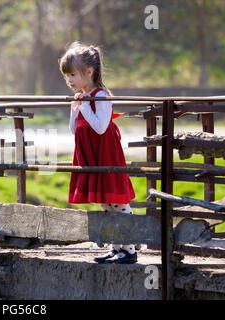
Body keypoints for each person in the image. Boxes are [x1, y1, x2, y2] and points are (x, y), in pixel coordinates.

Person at [58, 41, 137, 264]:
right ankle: (117, 248)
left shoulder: (101, 96)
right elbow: (75, 131)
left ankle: (130, 250)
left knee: (118, 201)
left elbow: (101, 126)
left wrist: (84, 105)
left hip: (106, 155)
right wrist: (74, 111)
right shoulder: (84, 98)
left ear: (89, 72)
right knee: (105, 203)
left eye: (73, 75)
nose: (69, 80)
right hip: (91, 155)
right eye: (67, 76)